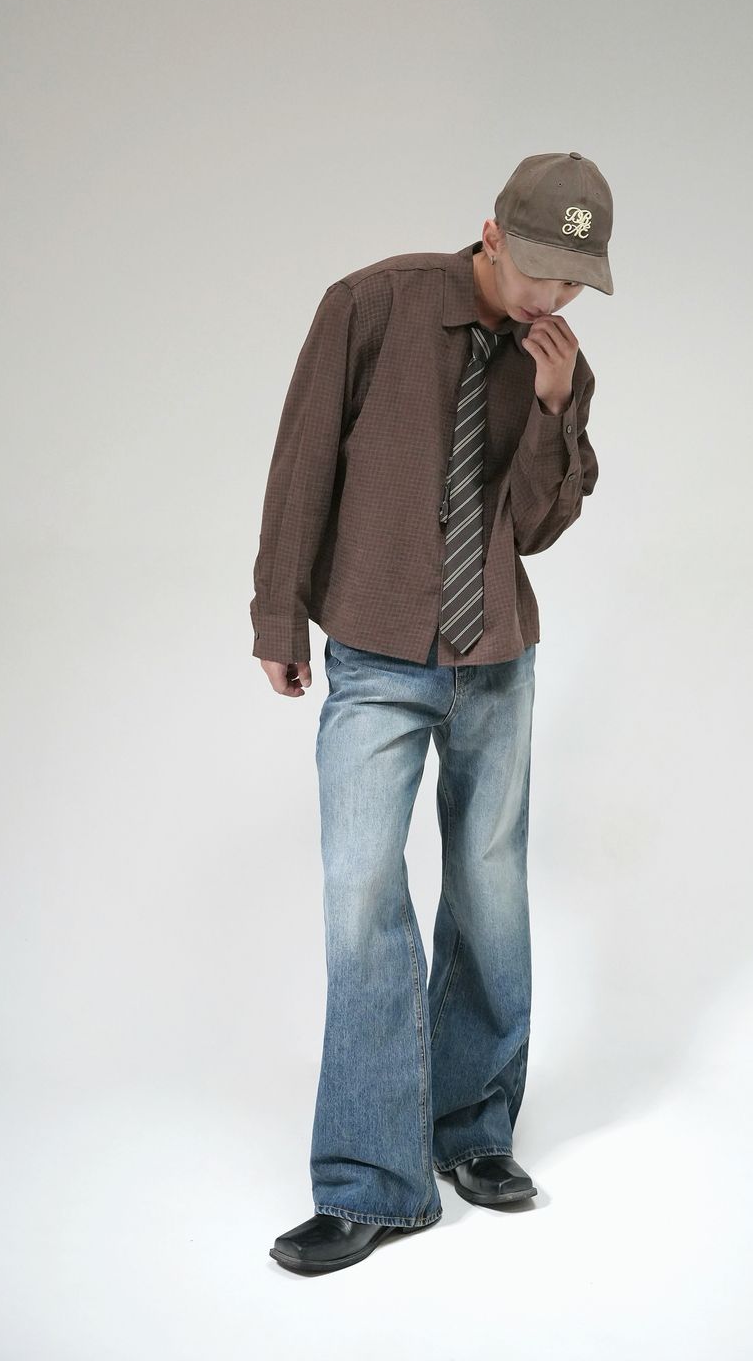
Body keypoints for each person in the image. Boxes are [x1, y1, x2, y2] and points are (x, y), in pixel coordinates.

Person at [251, 151, 613, 1274]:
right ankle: (373, 1183)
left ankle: (471, 1129)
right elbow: (302, 464)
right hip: (374, 648)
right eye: (540, 270)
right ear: (492, 234)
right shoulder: (373, 304)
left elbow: (538, 527)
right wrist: (278, 615)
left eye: (576, 280)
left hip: (497, 654)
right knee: (361, 891)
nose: (553, 296)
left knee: (490, 888)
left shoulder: (559, 361)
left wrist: (552, 408)